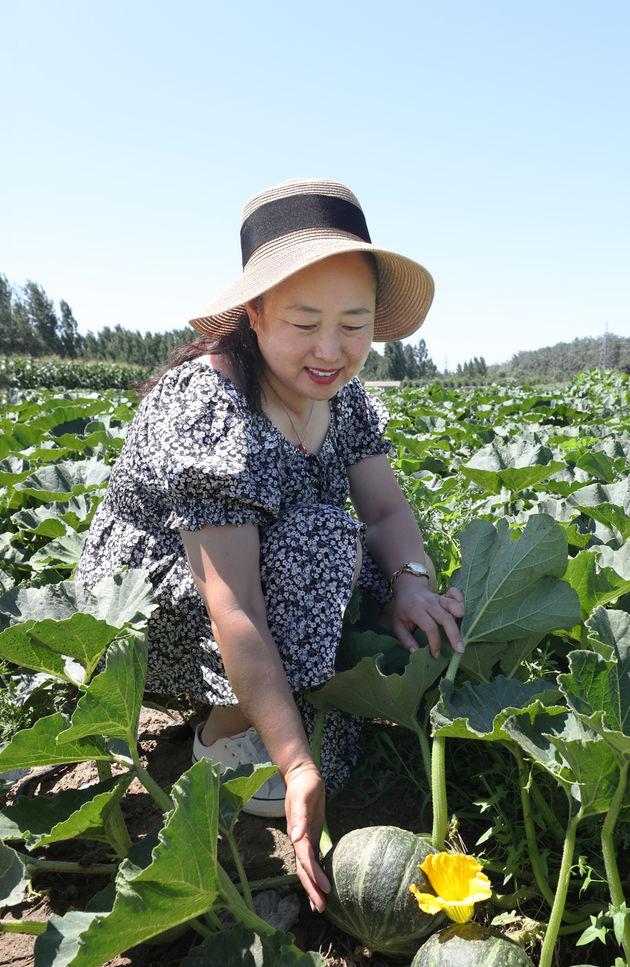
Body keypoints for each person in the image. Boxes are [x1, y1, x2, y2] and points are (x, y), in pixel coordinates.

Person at [75, 178, 464, 912]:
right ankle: (222, 736)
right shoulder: (209, 402)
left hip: (261, 581)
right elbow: (235, 600)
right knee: (324, 543)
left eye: (353, 324)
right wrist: (293, 764)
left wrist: (412, 580)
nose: (330, 348)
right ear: (253, 315)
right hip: (146, 608)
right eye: (304, 321)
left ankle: (272, 707)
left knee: (381, 576)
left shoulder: (340, 396)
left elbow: (384, 512)